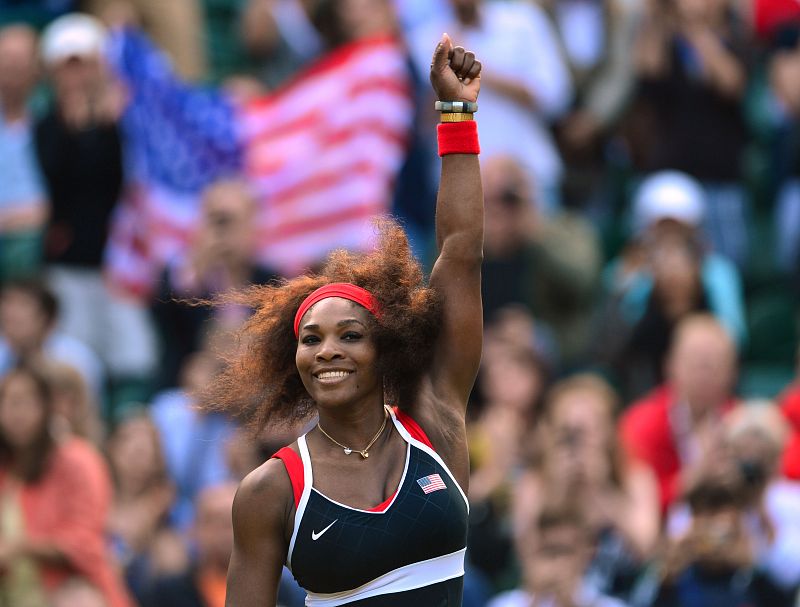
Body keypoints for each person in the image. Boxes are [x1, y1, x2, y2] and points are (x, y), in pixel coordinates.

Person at [216, 34, 483, 606]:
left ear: (385, 348)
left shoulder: (434, 423)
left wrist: (455, 112)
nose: (327, 350)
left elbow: (459, 253)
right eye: (310, 339)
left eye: (349, 335)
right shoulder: (271, 490)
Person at [0, 363, 132, 607]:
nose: (12, 412)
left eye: (22, 402)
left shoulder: (78, 460)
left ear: (47, 407)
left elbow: (85, 540)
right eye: (5, 401)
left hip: (68, 588)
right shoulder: (6, 466)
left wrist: (20, 547)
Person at [619, 314, 739, 512]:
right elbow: (635, 506)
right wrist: (694, 478)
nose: (704, 374)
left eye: (715, 364)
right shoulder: (640, 424)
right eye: (696, 363)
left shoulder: (741, 422)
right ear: (670, 365)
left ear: (733, 372)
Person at [0, 24, 49, 281]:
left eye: (19, 59)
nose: (11, 66)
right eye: (5, 58)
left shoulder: (52, 118)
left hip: (35, 236)